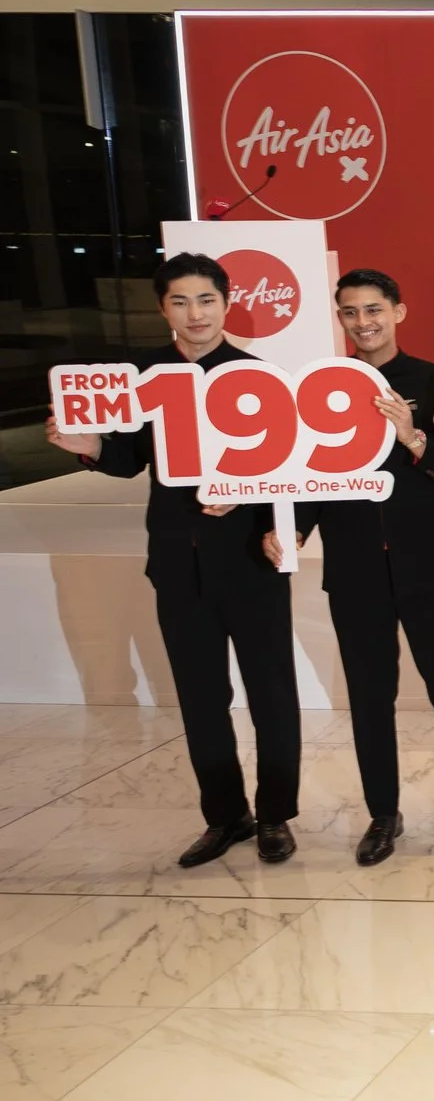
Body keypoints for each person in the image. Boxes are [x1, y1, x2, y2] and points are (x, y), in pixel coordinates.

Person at [46, 253, 301, 868]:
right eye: (180, 302)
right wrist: (91, 447)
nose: (196, 314)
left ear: (227, 303)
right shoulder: (142, 375)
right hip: (176, 562)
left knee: (271, 691)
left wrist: (252, 503)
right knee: (199, 696)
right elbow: (129, 456)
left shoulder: (259, 376)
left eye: (206, 300)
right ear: (163, 309)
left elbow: (288, 469)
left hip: (251, 559)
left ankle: (274, 815)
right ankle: (226, 817)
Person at [265, 269, 434, 866]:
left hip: (432, 567)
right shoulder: (321, 388)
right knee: (370, 698)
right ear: (339, 318)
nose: (363, 322)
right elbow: (311, 478)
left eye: (373, 309)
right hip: (354, 572)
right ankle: (382, 815)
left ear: (399, 311)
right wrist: (295, 528)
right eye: (350, 312)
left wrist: (411, 436)